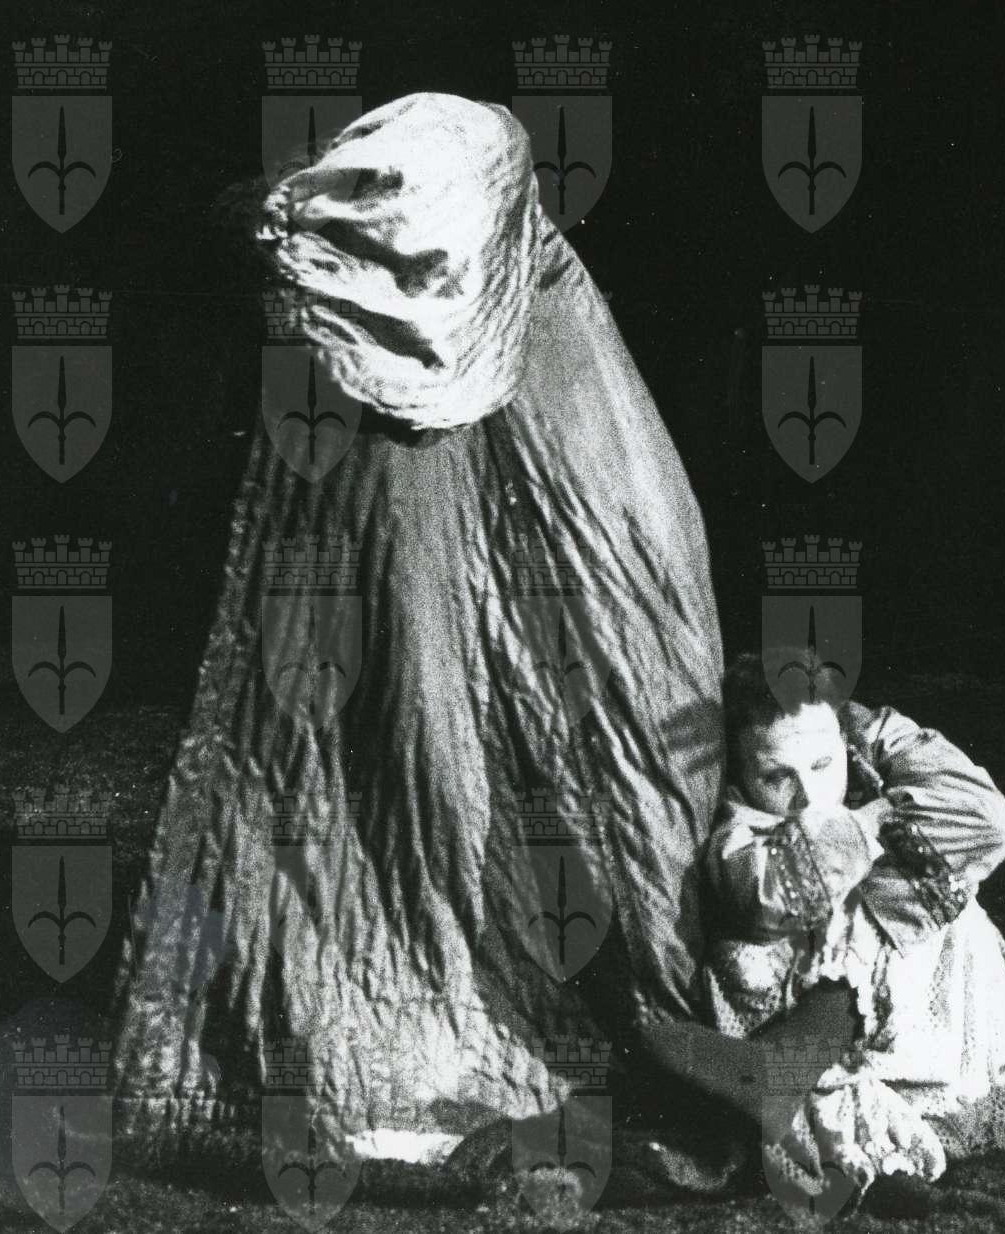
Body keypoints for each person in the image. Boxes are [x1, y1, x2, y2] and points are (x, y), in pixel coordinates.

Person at [110, 93, 731, 1173]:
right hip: (402, 589)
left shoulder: (539, 300)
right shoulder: (354, 357)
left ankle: (623, 1001)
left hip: (556, 582)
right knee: (406, 751)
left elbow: (634, 599)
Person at [696, 649, 1005, 1216]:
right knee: (801, 934)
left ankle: (795, 1084)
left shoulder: (860, 756)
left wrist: (876, 734)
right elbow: (765, 895)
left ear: (845, 742)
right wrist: (863, 829)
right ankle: (889, 1175)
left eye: (822, 765)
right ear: (740, 777)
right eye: (776, 776)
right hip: (843, 1053)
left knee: (933, 883)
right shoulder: (741, 832)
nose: (809, 796)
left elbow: (987, 822)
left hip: (931, 1030)